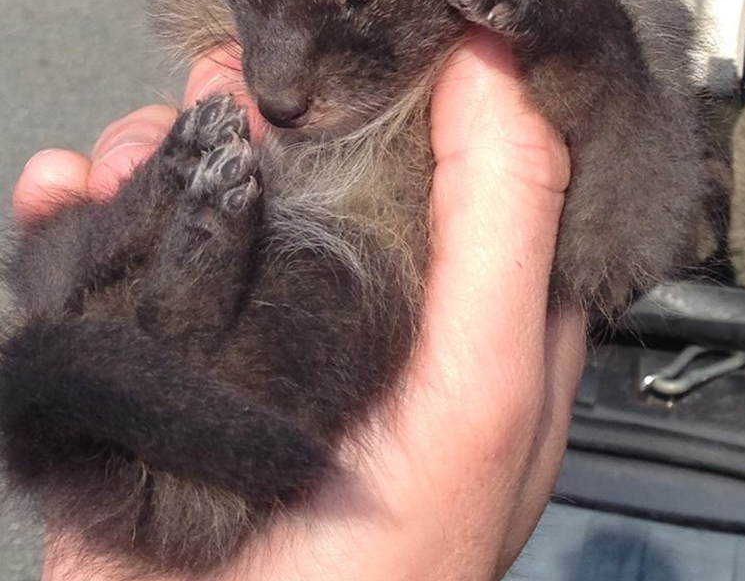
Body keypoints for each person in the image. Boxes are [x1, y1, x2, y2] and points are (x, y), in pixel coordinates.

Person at [13, 31, 585, 581]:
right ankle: (179, 269)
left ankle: (177, 246)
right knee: (327, 309)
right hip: (188, 441)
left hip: (147, 421)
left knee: (71, 265)